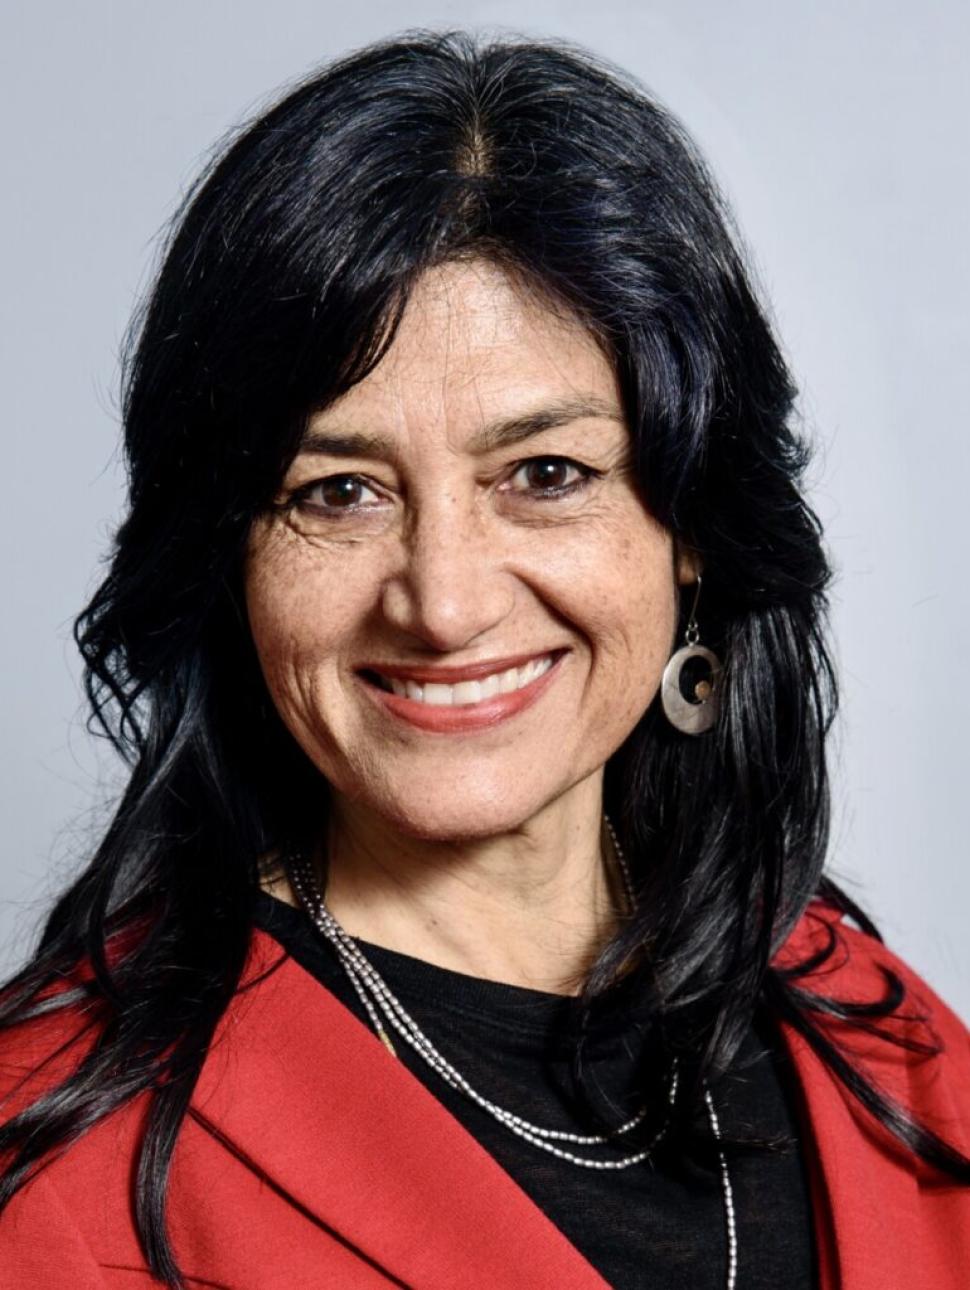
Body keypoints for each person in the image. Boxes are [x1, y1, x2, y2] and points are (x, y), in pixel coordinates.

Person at [0, 29, 967, 1290]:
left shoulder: (884, 1047)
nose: (442, 604)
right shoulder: (56, 1169)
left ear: (692, 532)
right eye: (337, 492)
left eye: (546, 476)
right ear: (226, 559)